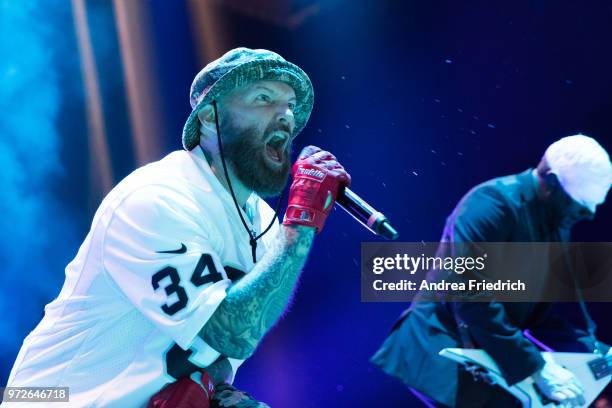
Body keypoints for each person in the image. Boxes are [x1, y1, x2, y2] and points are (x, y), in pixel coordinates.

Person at [3, 48, 351, 407]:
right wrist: (302, 224)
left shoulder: (264, 223)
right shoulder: (156, 199)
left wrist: (215, 389)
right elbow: (227, 332)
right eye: (263, 98)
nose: (286, 116)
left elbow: (208, 351)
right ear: (210, 119)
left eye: (290, 105)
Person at [371, 135, 612, 407]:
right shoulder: (490, 203)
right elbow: (469, 294)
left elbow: (548, 313)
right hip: (438, 347)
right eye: (578, 205)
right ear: (553, 182)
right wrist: (534, 366)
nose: (588, 215)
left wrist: (599, 354)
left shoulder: (553, 221)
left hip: (484, 349)